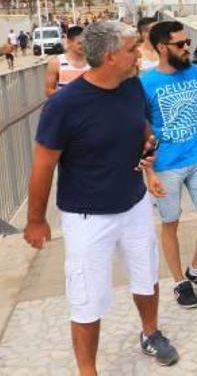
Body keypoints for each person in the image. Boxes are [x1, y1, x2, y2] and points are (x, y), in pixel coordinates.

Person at [23, 21, 179, 372]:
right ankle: (87, 370)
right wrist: (35, 220)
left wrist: (148, 149)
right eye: (131, 48)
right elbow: (43, 167)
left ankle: (150, 333)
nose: (139, 53)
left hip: (135, 203)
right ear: (109, 56)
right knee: (87, 298)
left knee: (145, 275)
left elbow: (142, 127)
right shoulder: (64, 105)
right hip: (88, 217)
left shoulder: (132, 86)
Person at [140, 21, 197, 308]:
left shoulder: (195, 72)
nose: (187, 47)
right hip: (165, 166)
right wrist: (149, 171)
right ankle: (179, 281)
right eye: (180, 44)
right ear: (162, 47)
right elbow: (142, 129)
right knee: (170, 223)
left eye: (187, 42)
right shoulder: (145, 82)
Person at [44, 26, 90, 96]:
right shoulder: (56, 63)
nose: (83, 46)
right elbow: (48, 91)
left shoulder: (93, 62)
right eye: (79, 43)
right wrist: (69, 95)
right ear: (69, 42)